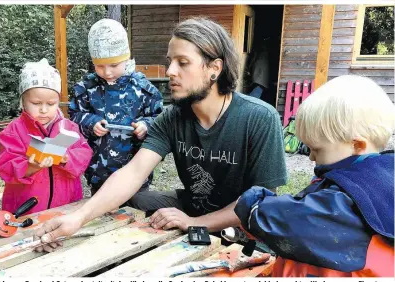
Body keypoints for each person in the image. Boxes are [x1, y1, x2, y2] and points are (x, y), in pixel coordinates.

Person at [34, 17, 287, 252]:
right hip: (192, 205)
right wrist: (79, 217)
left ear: (214, 68)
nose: (170, 72)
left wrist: (194, 223)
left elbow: (260, 200)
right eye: (170, 62)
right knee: (131, 198)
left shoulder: (259, 117)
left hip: (241, 221)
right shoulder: (173, 117)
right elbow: (133, 173)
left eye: (183, 63)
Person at [234, 75, 395, 277]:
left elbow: (292, 223)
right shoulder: (377, 174)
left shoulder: (348, 202)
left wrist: (253, 205)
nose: (310, 157)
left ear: (357, 145)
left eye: (316, 150)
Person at [69, 18, 163, 196]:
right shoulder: (87, 88)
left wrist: (145, 125)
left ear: (126, 58)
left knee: (134, 216)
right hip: (99, 174)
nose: (107, 72)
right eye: (100, 66)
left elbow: (160, 119)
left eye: (114, 65)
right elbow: (73, 118)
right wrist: (91, 123)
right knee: (101, 217)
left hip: (136, 175)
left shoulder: (143, 89)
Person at [0, 59, 93, 215]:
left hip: (66, 204)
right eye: (36, 103)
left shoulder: (68, 128)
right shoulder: (14, 131)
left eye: (51, 103)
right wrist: (31, 167)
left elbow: (85, 153)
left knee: (64, 235)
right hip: (27, 207)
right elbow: (5, 166)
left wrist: (66, 158)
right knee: (30, 236)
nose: (44, 110)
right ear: (23, 102)